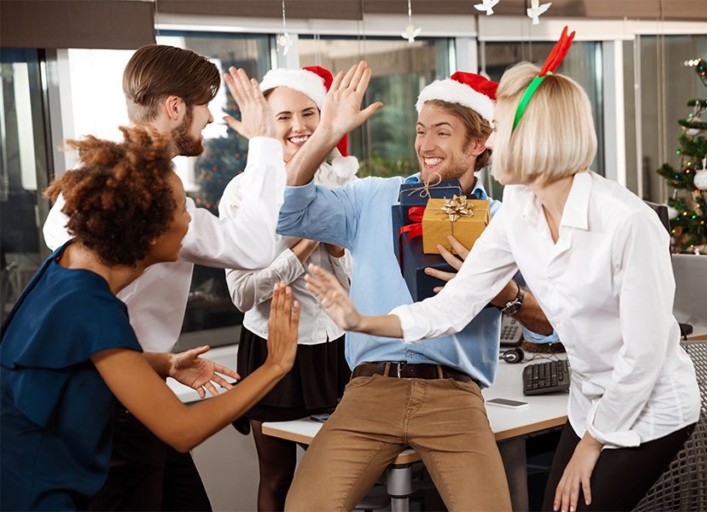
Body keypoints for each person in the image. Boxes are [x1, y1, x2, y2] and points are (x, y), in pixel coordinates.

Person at [306, 33, 702, 512]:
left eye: (498, 127)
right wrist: (362, 322)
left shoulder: (628, 223)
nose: (488, 143)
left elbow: (644, 355)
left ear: (537, 136)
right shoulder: (518, 206)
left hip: (651, 405)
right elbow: (457, 302)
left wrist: (592, 445)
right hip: (590, 399)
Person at [277, 63, 554, 511]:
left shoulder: (506, 221)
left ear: (478, 143)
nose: (425, 145)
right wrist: (325, 132)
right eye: (421, 131)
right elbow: (292, 213)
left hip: (455, 397)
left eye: (442, 133)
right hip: (369, 391)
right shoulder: (371, 197)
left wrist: (506, 296)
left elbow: (550, 325)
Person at [0, 126, 301, 512]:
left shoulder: (65, 265)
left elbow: (65, 362)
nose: (190, 221)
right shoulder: (92, 307)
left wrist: (162, 364)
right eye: (180, 210)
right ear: (144, 227)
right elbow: (182, 429)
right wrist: (275, 365)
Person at [219, 65, 357, 511]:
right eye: (284, 117)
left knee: (333, 486)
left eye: (309, 113)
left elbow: (364, 280)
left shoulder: (345, 186)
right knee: (277, 479)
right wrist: (300, 251)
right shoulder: (243, 192)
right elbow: (241, 295)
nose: (298, 127)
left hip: (335, 349)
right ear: (266, 124)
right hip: (269, 345)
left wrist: (336, 248)